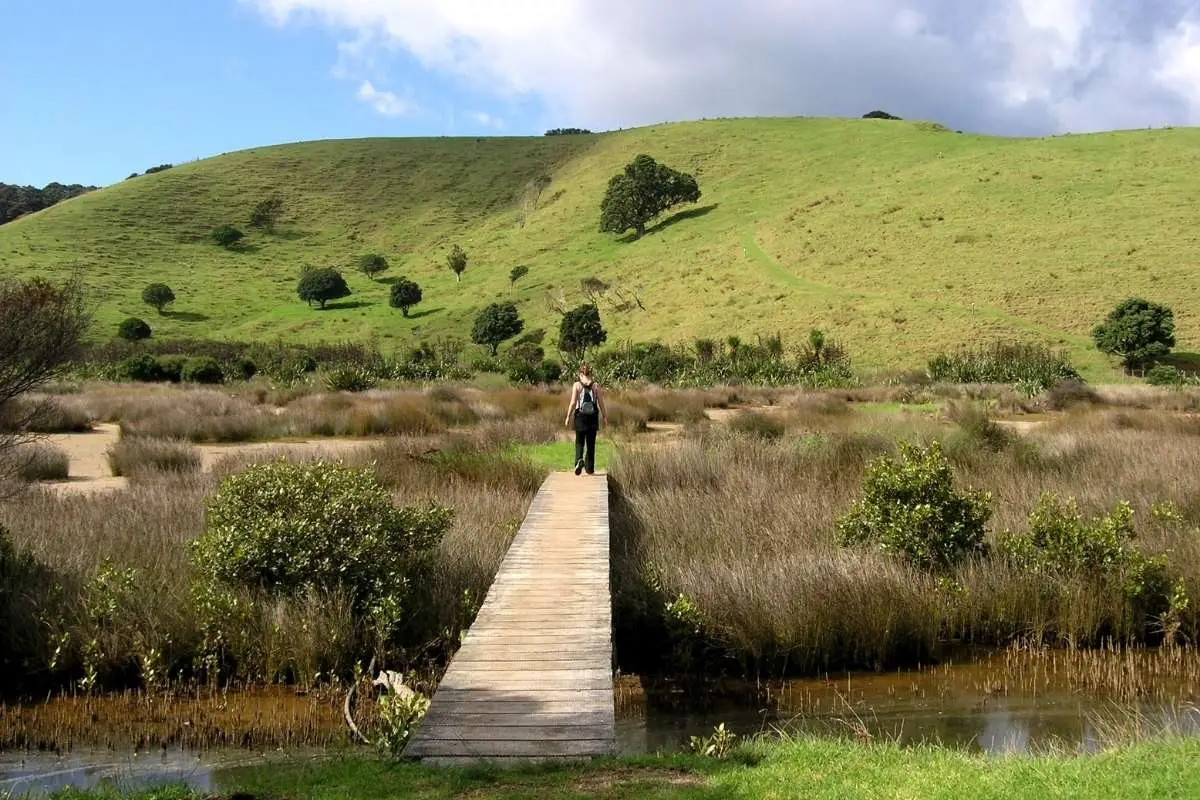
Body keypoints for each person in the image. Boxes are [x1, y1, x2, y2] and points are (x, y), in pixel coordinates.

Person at [565, 364, 606, 475]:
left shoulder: (577, 385)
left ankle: (579, 460)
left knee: (579, 441)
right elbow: (601, 403)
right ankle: (589, 468)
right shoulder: (596, 386)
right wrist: (605, 416)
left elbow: (573, 403)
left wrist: (568, 416)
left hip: (580, 417)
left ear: (581, 374)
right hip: (593, 417)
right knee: (591, 443)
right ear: (590, 374)